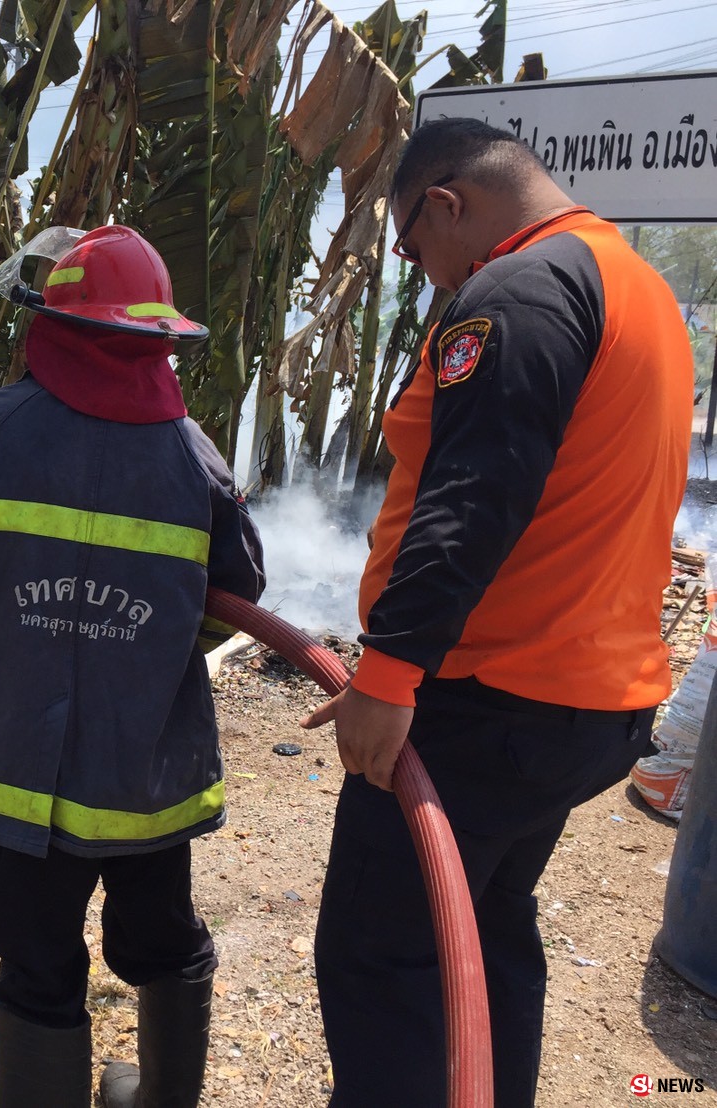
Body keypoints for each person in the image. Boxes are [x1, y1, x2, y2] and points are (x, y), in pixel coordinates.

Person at [302, 117, 694, 1107]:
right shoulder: (635, 289)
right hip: (580, 705)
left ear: (446, 203)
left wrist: (385, 680)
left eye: (411, 246)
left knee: (380, 964)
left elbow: (472, 495)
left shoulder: (517, 290)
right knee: (483, 938)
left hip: (486, 708)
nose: (423, 273)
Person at [0, 224, 266, 1107]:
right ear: (156, 346)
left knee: (36, 965)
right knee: (164, 940)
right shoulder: (197, 460)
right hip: (139, 769)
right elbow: (240, 588)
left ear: (55, 328)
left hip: (12, 772)